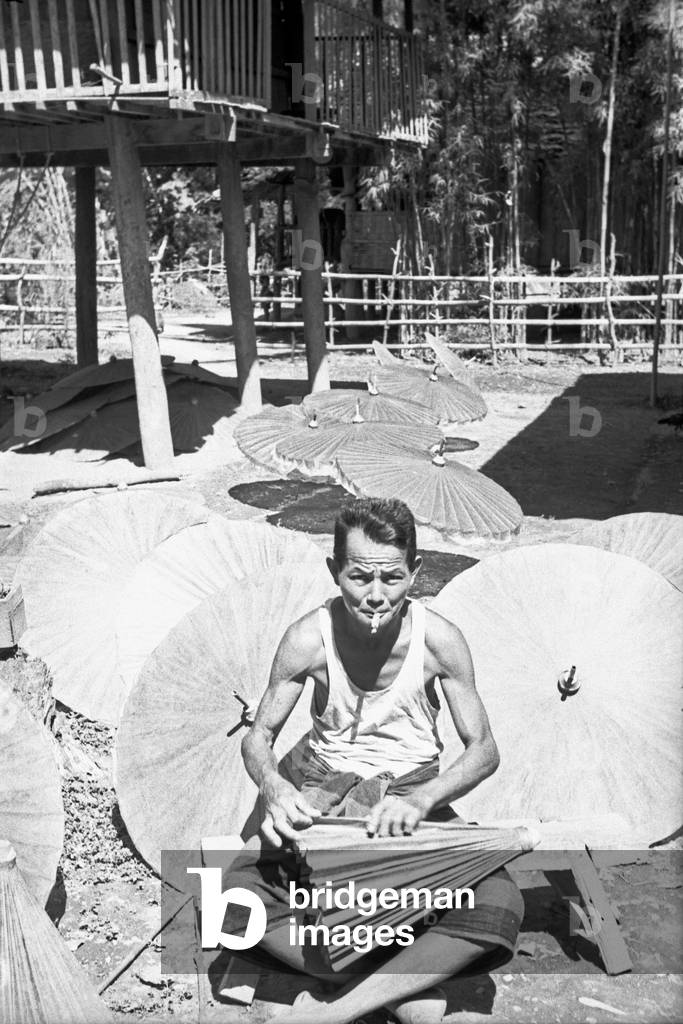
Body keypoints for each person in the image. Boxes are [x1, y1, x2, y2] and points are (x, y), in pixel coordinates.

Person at [235, 497, 524, 1024]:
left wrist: (421, 800)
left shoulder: (440, 641)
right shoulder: (309, 639)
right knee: (233, 899)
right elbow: (258, 739)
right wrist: (276, 789)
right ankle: (401, 983)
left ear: (414, 572)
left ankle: (339, 1004)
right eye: (358, 577)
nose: (374, 596)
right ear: (334, 571)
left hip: (410, 800)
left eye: (391, 578)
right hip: (326, 799)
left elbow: (484, 749)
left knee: (501, 899)